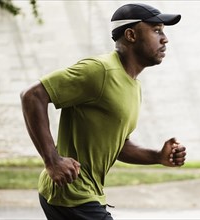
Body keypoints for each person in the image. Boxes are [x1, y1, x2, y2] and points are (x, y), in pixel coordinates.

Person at [20, 3, 186, 220]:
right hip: (71, 193)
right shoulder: (100, 70)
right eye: (156, 30)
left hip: (85, 194)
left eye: (163, 31)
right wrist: (52, 160)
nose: (165, 38)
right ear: (131, 34)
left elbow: (117, 145)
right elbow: (32, 96)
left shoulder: (133, 86)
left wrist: (157, 156)